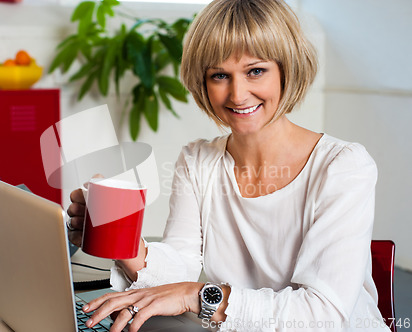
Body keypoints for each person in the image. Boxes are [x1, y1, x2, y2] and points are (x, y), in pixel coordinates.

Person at [66, 0, 389, 331]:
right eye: (220, 75)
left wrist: (198, 296)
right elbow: (178, 272)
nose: (237, 94)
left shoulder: (343, 166)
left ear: (286, 71)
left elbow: (321, 315)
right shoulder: (197, 161)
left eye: (255, 71)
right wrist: (122, 238)